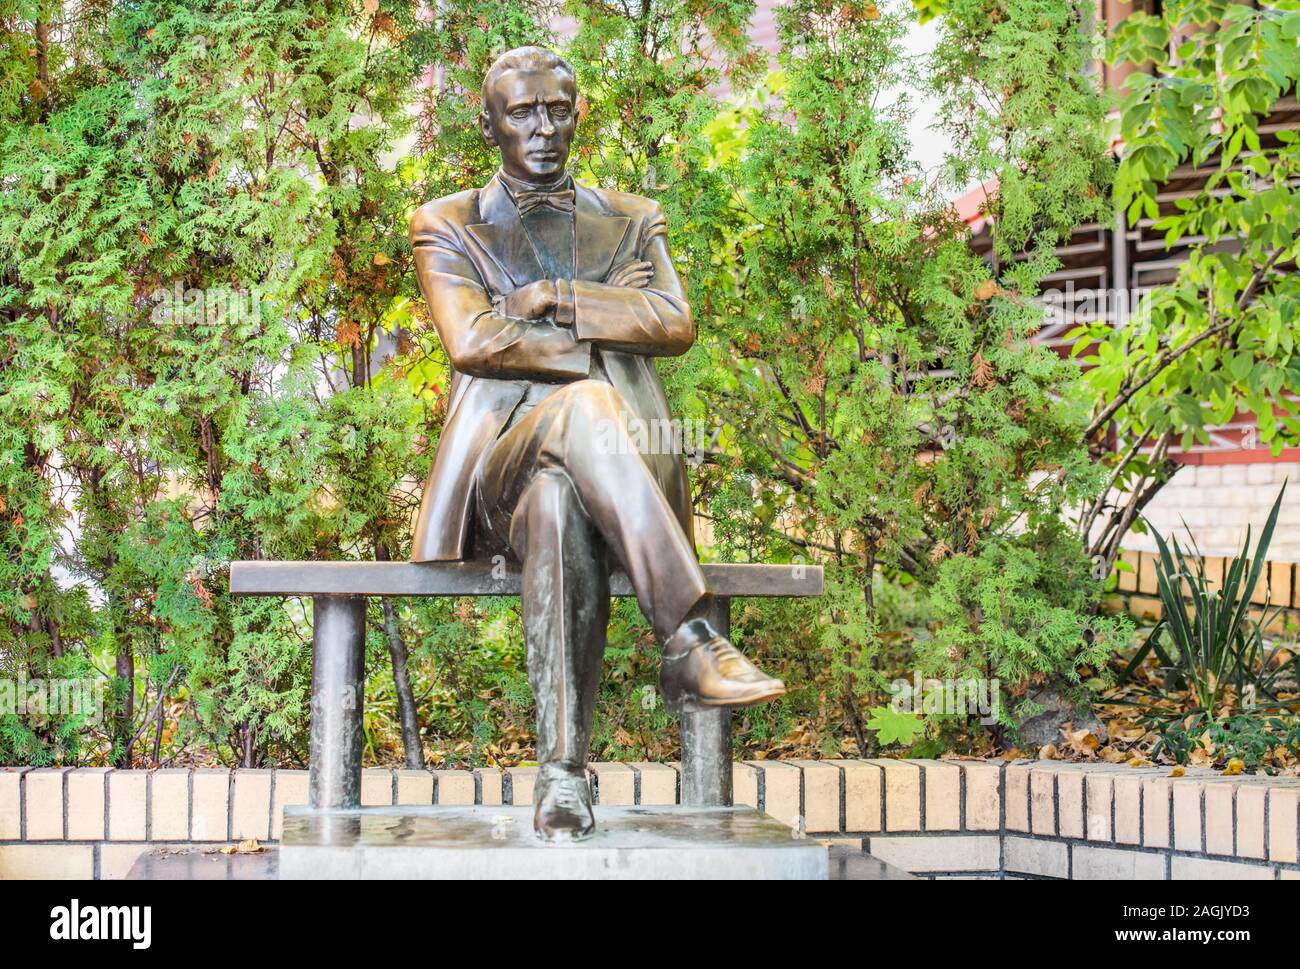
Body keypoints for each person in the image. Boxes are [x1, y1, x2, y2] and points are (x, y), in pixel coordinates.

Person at [408, 46, 784, 840]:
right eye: (521, 113)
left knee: (560, 499)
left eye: (556, 109)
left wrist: (557, 298)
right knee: (581, 414)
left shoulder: (633, 216)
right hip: (497, 472)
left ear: (579, 113)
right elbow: (472, 339)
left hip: (602, 489)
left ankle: (563, 778)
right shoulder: (446, 223)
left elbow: (673, 323)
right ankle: (687, 636)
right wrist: (599, 334)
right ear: (489, 124)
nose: (542, 128)